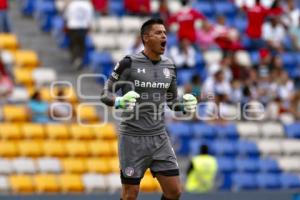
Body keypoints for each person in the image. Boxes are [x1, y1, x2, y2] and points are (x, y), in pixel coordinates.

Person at [100, 18, 198, 200]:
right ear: (146, 38)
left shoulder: (169, 66)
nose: (164, 37)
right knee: (130, 194)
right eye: (159, 33)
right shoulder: (128, 63)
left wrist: (184, 106)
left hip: (159, 138)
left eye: (165, 33)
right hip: (132, 138)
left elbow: (172, 102)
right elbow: (105, 93)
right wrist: (119, 102)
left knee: (174, 192)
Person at [64, 0, 94, 69]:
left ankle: (74, 58)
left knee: (73, 43)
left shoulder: (72, 4)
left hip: (72, 26)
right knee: (81, 45)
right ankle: (80, 58)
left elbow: (67, 15)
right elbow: (89, 16)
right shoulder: (87, 4)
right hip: (83, 26)